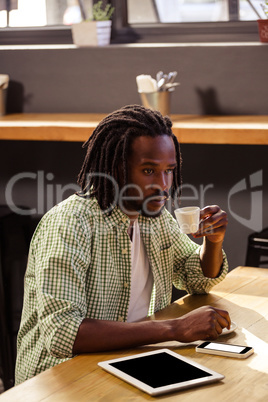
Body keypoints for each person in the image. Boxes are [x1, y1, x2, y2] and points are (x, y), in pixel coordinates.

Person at [15, 105, 230, 385]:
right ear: (117, 167)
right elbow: (63, 332)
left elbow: (194, 278)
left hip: (130, 360)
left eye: (169, 170)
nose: (163, 185)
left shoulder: (154, 217)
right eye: (149, 170)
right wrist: (174, 328)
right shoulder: (70, 224)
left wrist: (213, 243)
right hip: (61, 378)